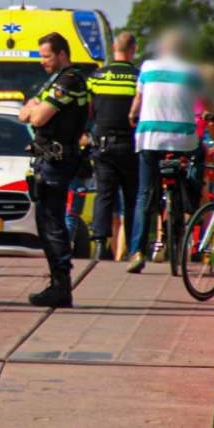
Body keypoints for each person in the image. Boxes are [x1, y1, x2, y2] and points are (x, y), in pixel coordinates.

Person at [126, 29, 214, 274]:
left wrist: (133, 114)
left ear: (162, 49)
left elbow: (138, 101)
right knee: (199, 155)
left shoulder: (147, 67)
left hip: (149, 137)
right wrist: (213, 116)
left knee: (144, 195)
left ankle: (137, 252)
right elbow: (207, 103)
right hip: (183, 138)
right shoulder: (192, 71)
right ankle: (193, 198)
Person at [19, 32, 88, 308]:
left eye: (46, 56)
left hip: (58, 162)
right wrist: (34, 108)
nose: (43, 62)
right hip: (49, 160)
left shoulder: (69, 81)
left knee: (52, 224)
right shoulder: (55, 81)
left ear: (62, 55)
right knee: (47, 223)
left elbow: (35, 116)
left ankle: (61, 287)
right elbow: (23, 113)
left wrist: (35, 108)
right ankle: (57, 284)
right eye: (41, 57)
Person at [87, 32, 140, 262]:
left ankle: (100, 244)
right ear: (134, 50)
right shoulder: (138, 78)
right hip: (131, 146)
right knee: (132, 198)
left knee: (104, 195)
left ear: (114, 47)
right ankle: (131, 247)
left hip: (103, 146)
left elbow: (88, 108)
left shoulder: (97, 76)